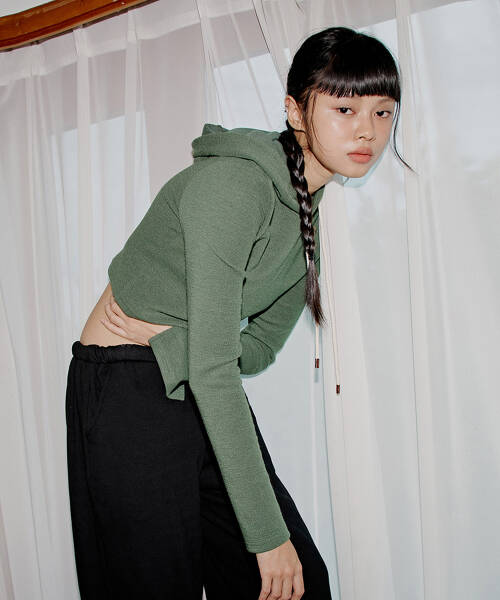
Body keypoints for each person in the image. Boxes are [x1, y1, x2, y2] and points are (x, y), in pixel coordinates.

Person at [65, 25, 413, 600]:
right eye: (345, 108)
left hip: (189, 370)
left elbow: (257, 348)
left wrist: (182, 344)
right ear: (295, 111)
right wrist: (267, 538)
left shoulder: (306, 212)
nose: (367, 131)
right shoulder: (235, 185)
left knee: (299, 585)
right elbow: (217, 365)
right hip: (128, 383)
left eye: (383, 113)